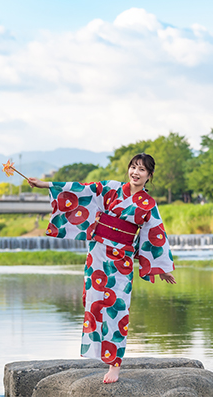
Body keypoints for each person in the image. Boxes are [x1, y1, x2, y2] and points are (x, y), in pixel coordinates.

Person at [28, 153, 176, 384]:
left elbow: (154, 235)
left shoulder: (148, 204)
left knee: (118, 307)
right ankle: (99, 353)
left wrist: (159, 267)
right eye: (133, 167)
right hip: (97, 253)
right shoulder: (112, 188)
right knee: (95, 302)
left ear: (149, 176)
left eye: (142, 170)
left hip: (121, 259)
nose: (136, 173)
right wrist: (44, 184)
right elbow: (81, 189)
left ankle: (115, 364)